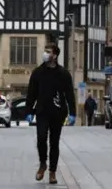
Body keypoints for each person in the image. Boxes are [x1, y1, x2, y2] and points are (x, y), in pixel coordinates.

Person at [25, 43, 76, 185]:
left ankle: (52, 172)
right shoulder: (37, 73)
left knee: (54, 142)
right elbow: (31, 93)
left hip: (58, 112)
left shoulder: (63, 74)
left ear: (55, 55)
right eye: (45, 51)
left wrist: (72, 113)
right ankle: (43, 164)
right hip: (42, 111)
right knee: (41, 138)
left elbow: (69, 94)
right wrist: (28, 110)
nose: (45, 54)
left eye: (48, 51)